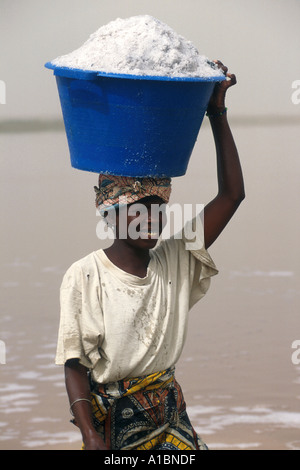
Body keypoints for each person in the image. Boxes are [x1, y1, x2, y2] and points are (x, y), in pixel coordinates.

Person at [55, 61, 245, 450]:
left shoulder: (176, 259)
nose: (152, 218)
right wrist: (89, 433)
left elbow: (232, 196)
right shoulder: (86, 274)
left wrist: (216, 113)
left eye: (158, 208)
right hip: (113, 423)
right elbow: (75, 363)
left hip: (169, 414)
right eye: (138, 209)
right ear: (110, 214)